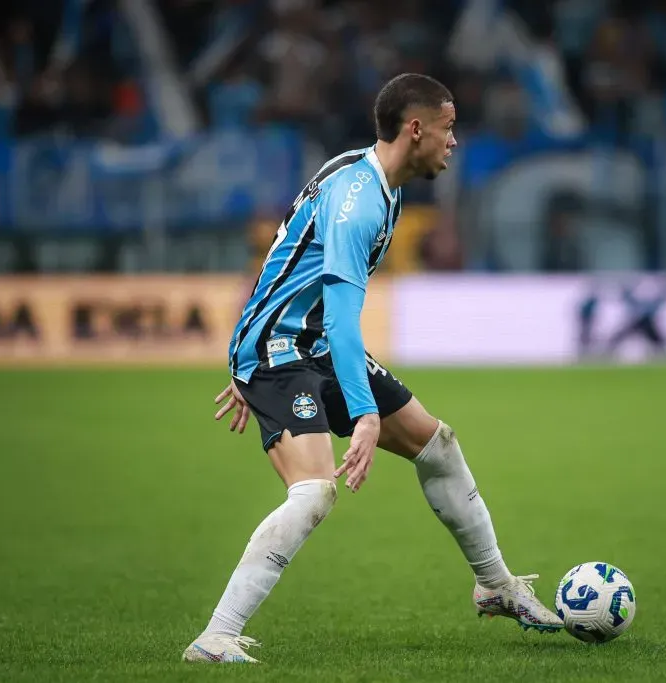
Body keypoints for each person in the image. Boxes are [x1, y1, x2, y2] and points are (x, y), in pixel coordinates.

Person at [182, 73, 563, 664]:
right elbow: (339, 317)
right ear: (416, 130)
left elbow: (286, 257)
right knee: (313, 492)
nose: (453, 142)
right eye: (447, 128)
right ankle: (215, 636)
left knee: (438, 445)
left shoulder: (370, 177)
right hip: (287, 349)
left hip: (303, 341)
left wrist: (244, 341)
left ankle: (496, 585)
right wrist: (355, 410)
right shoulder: (361, 203)